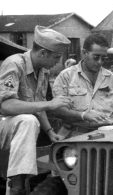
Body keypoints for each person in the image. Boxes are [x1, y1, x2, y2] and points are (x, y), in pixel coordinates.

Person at [0, 25, 73, 195]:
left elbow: (37, 104)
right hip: (3, 121)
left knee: (29, 120)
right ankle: (17, 187)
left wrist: (49, 131)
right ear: (42, 53)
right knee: (28, 120)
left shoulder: (42, 72)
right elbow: (5, 106)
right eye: (56, 57)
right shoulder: (15, 64)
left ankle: (18, 186)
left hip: (14, 127)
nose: (58, 62)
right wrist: (50, 104)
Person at [52, 33, 113, 137]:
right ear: (84, 53)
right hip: (74, 135)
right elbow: (57, 110)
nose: (100, 62)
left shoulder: (112, 79)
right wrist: (83, 115)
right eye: (96, 57)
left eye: (103, 58)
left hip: (105, 136)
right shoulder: (66, 77)